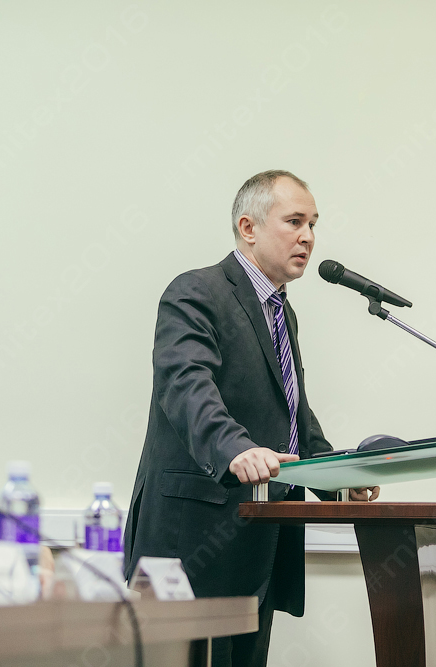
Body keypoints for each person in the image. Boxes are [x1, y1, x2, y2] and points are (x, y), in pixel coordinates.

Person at [123, 170, 379, 667]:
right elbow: (186, 388)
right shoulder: (196, 292)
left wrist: (337, 481)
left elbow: (294, 419)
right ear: (249, 227)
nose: (308, 237)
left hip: (259, 544)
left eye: (313, 224)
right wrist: (235, 449)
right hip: (192, 546)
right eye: (294, 221)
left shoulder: (280, 311)